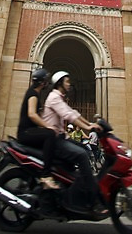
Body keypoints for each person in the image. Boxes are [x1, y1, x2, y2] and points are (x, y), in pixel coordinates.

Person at [42, 71, 107, 215]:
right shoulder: (54, 97)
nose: (69, 84)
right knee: (82, 155)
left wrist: (90, 123)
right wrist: (87, 128)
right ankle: (92, 198)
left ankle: (74, 187)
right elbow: (69, 115)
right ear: (60, 83)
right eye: (66, 81)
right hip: (54, 141)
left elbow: (74, 112)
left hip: (60, 138)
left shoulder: (60, 98)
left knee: (85, 149)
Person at [17, 68, 59, 190]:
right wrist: (48, 126)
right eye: (46, 80)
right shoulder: (33, 94)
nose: (47, 83)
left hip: (29, 131)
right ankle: (46, 175)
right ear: (41, 82)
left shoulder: (35, 92)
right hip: (26, 132)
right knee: (50, 135)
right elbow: (32, 114)